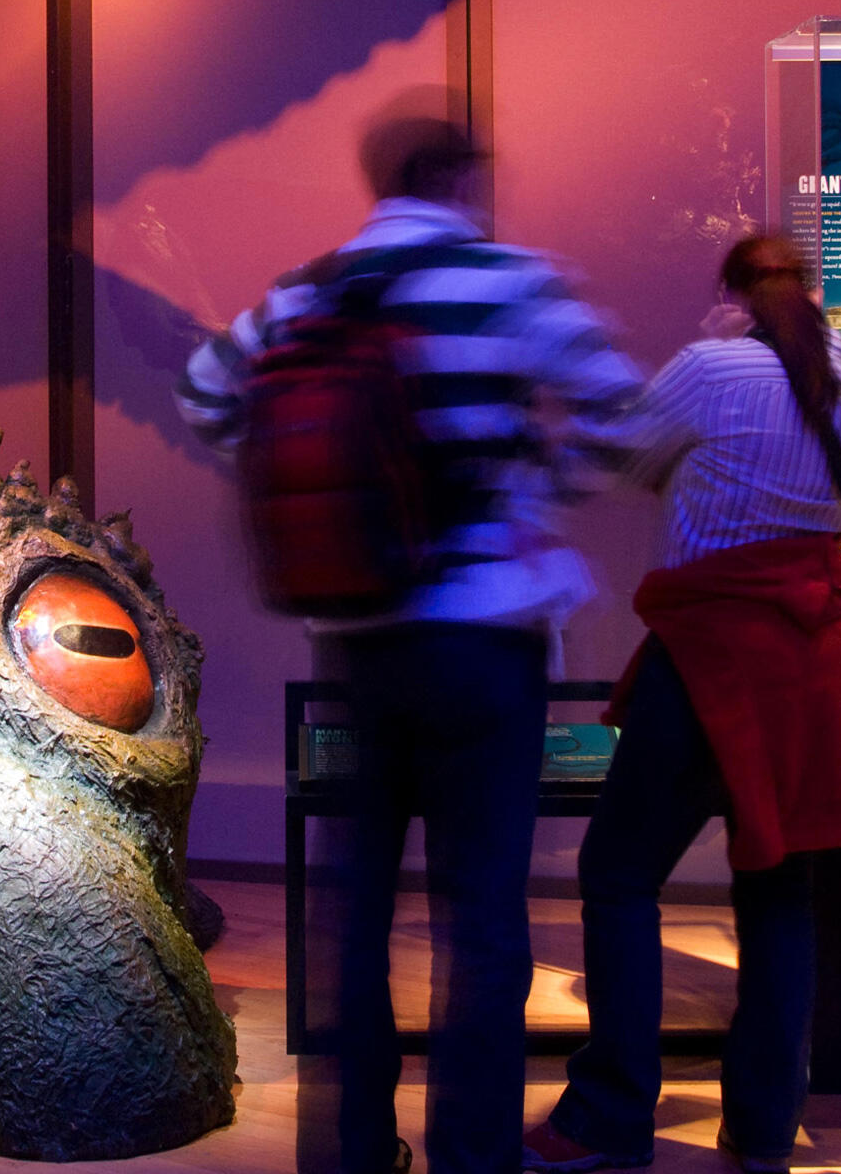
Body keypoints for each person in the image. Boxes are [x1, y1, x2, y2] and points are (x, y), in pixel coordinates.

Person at [177, 103, 643, 1174]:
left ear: (378, 179)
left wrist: (324, 496)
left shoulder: (312, 288)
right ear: (464, 181)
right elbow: (626, 411)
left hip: (357, 641)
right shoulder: (512, 279)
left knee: (356, 912)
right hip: (487, 642)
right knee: (480, 919)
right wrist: (536, 492)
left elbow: (207, 397)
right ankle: (474, 1156)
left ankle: (351, 1153)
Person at [519, 233, 841, 1174]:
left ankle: (612, 1112)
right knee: (780, 893)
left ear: (733, 292)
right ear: (810, 292)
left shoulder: (709, 365)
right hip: (810, 664)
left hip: (709, 657)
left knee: (619, 875)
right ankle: (766, 1128)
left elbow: (631, 459)